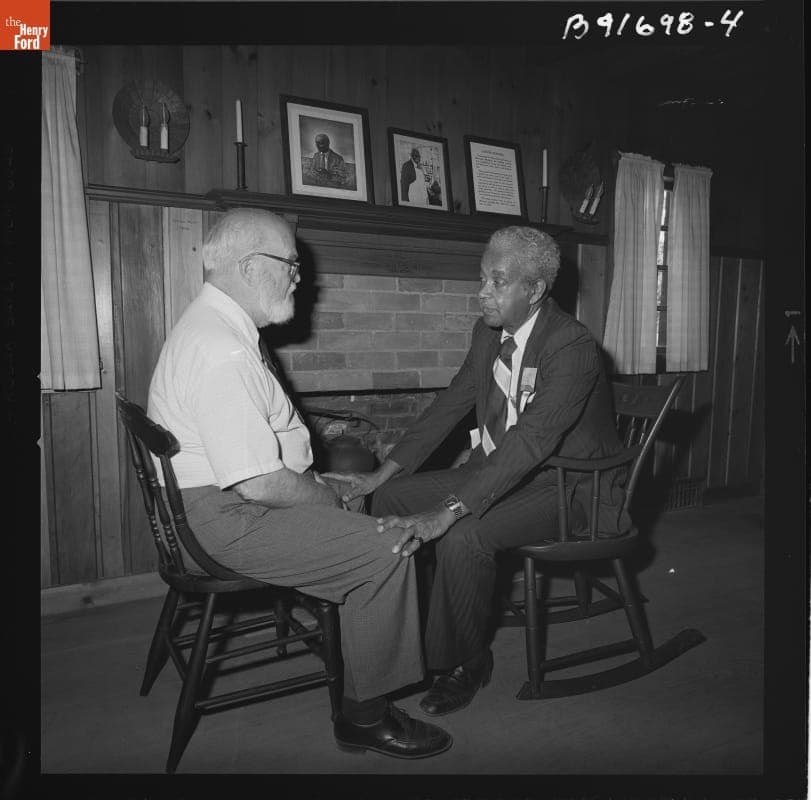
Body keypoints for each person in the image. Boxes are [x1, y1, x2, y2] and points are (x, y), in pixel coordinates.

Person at [147, 208, 451, 759]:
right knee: (391, 547)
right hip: (226, 521)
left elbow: (260, 468)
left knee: (361, 507)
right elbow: (260, 484)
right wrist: (326, 492)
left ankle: (356, 623)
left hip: (210, 507)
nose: (298, 276)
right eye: (289, 262)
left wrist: (314, 481)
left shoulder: (211, 324)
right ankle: (364, 715)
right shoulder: (225, 351)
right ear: (247, 265)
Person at [326, 226, 631, 717]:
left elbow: (533, 441)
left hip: (570, 485)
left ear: (534, 290)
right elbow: (451, 405)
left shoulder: (571, 346)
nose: (482, 292)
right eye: (482, 278)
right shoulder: (489, 334)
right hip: (507, 470)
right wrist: (382, 474)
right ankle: (397, 629)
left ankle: (464, 660)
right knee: (390, 502)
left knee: (465, 535)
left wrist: (449, 511)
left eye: (498, 281)